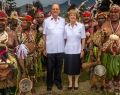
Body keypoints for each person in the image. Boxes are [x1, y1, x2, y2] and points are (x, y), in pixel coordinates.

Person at [43, 3, 65, 91]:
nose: (55, 10)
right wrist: (44, 48)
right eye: (53, 9)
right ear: (51, 10)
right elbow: (44, 35)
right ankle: (49, 83)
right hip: (50, 49)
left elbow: (65, 35)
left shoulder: (63, 20)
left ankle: (58, 82)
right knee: (50, 68)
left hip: (60, 48)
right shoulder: (46, 21)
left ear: (59, 10)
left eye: (57, 9)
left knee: (58, 68)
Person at [64, 9, 86, 90]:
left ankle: (76, 82)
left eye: (74, 15)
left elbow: (83, 39)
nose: (72, 16)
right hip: (68, 50)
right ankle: (70, 83)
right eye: (71, 15)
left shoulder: (81, 26)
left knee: (77, 68)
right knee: (69, 68)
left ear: (76, 17)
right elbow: (65, 39)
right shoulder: (65, 27)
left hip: (77, 50)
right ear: (69, 17)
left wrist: (82, 50)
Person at [101, 4, 120, 94]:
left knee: (118, 71)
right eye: (111, 12)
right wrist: (103, 34)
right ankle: (108, 84)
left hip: (118, 55)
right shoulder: (105, 24)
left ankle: (117, 84)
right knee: (107, 70)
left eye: (116, 12)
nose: (113, 14)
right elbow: (98, 40)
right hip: (107, 54)